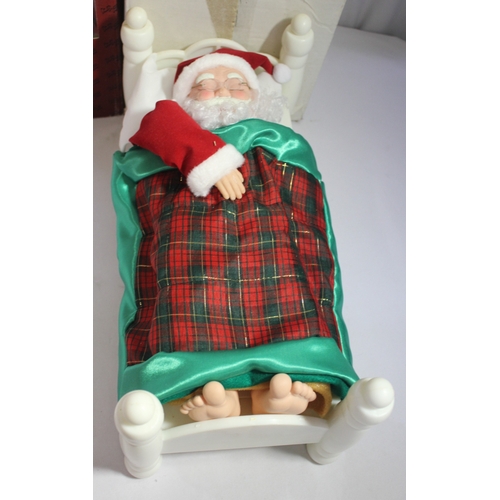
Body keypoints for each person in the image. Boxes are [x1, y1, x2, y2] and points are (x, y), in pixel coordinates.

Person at [122, 49, 354, 421]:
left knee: (289, 285)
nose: (222, 90)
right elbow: (155, 124)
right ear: (184, 98)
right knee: (188, 294)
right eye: (206, 84)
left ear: (258, 97)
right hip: (192, 228)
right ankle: (213, 390)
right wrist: (204, 156)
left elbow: (306, 209)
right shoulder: (170, 127)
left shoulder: (274, 137)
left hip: (268, 233)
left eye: (236, 83)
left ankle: (278, 388)